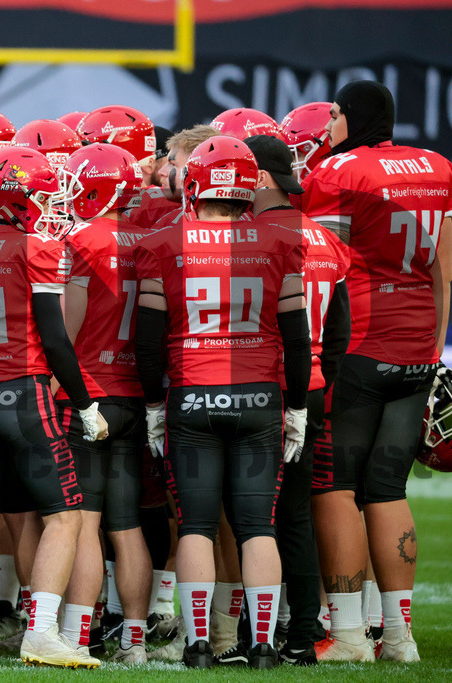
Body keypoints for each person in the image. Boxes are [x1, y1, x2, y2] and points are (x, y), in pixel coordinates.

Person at [134, 135, 310, 670]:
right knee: (257, 523)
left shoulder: (163, 243)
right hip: (260, 396)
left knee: (196, 525)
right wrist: (297, 407)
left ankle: (198, 646)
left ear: (195, 183)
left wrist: (152, 405)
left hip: (192, 396)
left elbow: (147, 339)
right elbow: (298, 338)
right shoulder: (281, 241)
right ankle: (261, 646)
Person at [0, 145, 108, 667]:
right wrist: (84, 403)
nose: (45, 199)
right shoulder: (36, 247)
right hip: (25, 395)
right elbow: (55, 339)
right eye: (36, 190)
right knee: (65, 515)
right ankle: (41, 632)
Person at [299, 80, 452, 663]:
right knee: (387, 488)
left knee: (334, 483)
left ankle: (346, 636)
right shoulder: (438, 165)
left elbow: (323, 262)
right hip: (418, 345)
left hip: (358, 343)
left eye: (336, 113)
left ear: (354, 116)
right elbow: (443, 266)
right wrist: (433, 348)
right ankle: (400, 637)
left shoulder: (340, 173)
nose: (330, 122)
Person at [246, 133, 351, 664]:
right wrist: (314, 388)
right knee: (296, 516)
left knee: (245, 516)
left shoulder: (244, 236)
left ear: (260, 178)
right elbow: (337, 334)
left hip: (254, 386)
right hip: (307, 388)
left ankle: (246, 633)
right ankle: (303, 634)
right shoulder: (327, 240)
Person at [58, 143, 152, 665]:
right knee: (127, 522)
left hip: (88, 389)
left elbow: (68, 329)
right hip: (135, 390)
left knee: (86, 521)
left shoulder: (81, 239)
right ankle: (135, 641)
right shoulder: (151, 239)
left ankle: (78, 632)